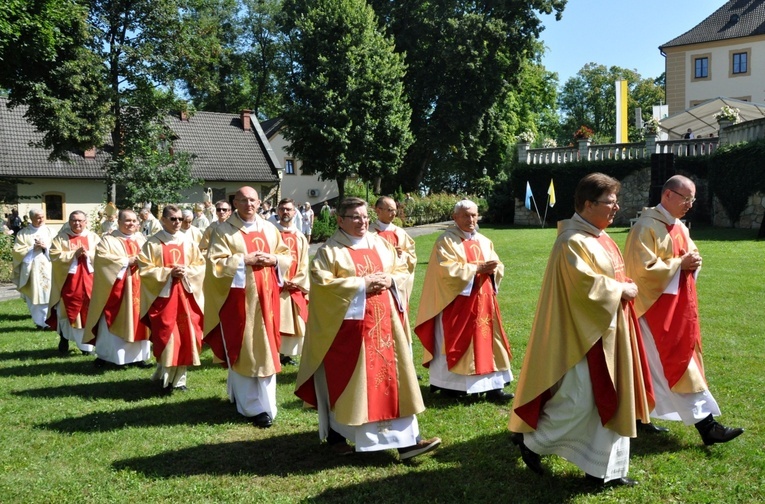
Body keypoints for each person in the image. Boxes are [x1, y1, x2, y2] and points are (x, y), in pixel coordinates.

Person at [509, 173, 654, 487]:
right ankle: (532, 443)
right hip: (584, 335)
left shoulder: (598, 236)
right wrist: (618, 290)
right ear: (588, 204)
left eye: (616, 202)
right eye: (610, 203)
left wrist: (622, 286)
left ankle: (604, 471)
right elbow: (583, 287)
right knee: (580, 401)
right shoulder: (572, 241)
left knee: (609, 397)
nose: (616, 208)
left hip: (610, 331)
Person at [295, 197, 441, 459]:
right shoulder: (329, 252)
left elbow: (400, 271)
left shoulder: (380, 243)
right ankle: (340, 436)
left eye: (364, 216)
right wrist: (362, 285)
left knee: (395, 380)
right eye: (355, 217)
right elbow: (323, 285)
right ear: (340, 220)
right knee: (352, 383)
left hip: (386, 327)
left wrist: (390, 279)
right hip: (349, 332)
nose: (362, 222)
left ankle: (407, 442)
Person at [624, 175, 743, 446]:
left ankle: (639, 418)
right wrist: (680, 263)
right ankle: (708, 427)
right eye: (685, 198)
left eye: (693, 199)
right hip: (652, 311)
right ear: (667, 195)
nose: (690, 204)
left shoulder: (679, 227)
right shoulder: (645, 227)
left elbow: (689, 257)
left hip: (679, 310)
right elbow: (641, 272)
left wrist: (693, 261)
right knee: (676, 367)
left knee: (653, 370)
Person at [204, 186, 292, 428]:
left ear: (259, 202)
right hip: (239, 301)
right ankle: (251, 407)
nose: (249, 205)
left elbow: (285, 256)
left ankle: (267, 403)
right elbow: (214, 264)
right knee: (244, 347)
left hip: (267, 300)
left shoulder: (269, 228)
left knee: (267, 347)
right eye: (243, 201)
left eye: (253, 200)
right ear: (235, 203)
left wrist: (274, 260)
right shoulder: (224, 231)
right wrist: (243, 260)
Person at [414, 200, 513, 402]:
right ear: (455, 217)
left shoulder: (485, 241)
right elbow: (445, 271)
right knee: (460, 343)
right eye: (466, 215)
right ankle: (453, 387)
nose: (471, 219)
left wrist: (494, 269)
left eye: (474, 215)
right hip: (457, 305)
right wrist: (476, 269)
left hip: (484, 301)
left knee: (489, 340)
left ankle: (494, 387)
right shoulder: (446, 241)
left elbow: (497, 264)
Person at [138, 204, 205, 395]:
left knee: (186, 336)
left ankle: (180, 379)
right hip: (163, 298)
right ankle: (165, 376)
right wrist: (168, 273)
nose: (178, 223)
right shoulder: (153, 243)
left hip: (185, 296)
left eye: (180, 219)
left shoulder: (188, 242)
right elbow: (145, 269)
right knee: (166, 335)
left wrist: (187, 271)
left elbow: (200, 265)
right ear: (163, 221)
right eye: (173, 219)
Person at [85, 209, 152, 368]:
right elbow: (101, 259)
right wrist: (127, 261)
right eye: (127, 221)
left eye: (134, 221)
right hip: (118, 289)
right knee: (115, 319)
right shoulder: (108, 240)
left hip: (140, 287)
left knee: (140, 319)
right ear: (119, 222)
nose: (131, 224)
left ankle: (138, 358)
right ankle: (112, 357)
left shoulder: (141, 239)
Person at [48, 211, 100, 354]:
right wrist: (73, 254)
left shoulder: (93, 237)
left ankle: (87, 345)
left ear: (86, 221)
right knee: (65, 311)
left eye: (80, 220)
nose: (77, 223)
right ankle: (64, 338)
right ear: (69, 221)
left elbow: (102, 256)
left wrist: (89, 254)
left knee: (89, 310)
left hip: (90, 280)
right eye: (74, 220)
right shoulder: (61, 238)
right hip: (69, 282)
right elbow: (54, 255)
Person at [272, 198, 309, 366]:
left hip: (294, 285)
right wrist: (281, 280)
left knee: (292, 320)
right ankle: (274, 352)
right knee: (276, 319)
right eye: (282, 209)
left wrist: (296, 281)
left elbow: (304, 262)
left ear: (294, 212)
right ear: (277, 212)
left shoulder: (300, 236)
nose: (285, 212)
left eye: (288, 209)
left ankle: (287, 354)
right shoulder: (272, 234)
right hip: (276, 285)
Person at [12, 209, 55, 329]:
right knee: (34, 294)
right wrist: (32, 248)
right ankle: (40, 322)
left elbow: (57, 249)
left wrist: (45, 247)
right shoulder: (23, 233)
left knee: (49, 294)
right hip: (31, 268)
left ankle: (50, 321)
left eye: (42, 217)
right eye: (38, 217)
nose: (41, 220)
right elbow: (17, 251)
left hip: (48, 266)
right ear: (31, 218)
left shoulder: (50, 232)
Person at [371, 196, 416, 308]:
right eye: (390, 210)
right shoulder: (368, 233)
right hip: (377, 283)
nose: (394, 214)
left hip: (397, 282)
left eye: (395, 210)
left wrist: (402, 255)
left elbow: (412, 258)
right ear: (378, 210)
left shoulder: (400, 233)